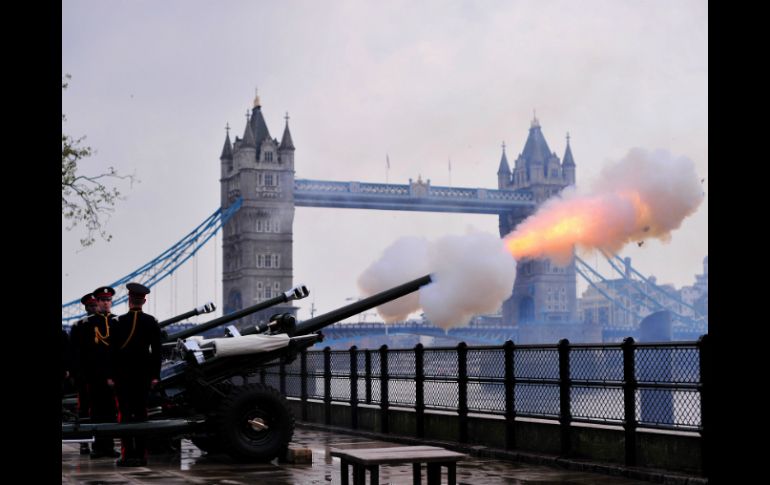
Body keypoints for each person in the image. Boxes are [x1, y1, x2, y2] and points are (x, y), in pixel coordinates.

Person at [112, 282, 161, 467]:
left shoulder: (118, 322)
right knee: (141, 415)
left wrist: (111, 375)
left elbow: (112, 353)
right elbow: (157, 352)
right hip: (143, 376)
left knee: (124, 415)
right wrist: (155, 376)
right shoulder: (151, 322)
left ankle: (127, 456)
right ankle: (141, 456)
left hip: (122, 377)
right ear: (144, 301)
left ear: (128, 300)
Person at [79, 286, 120, 459]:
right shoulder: (85, 325)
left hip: (113, 376)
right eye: (102, 300)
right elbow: (80, 353)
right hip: (94, 376)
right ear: (97, 302)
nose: (105, 303)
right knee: (96, 413)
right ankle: (97, 447)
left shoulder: (118, 322)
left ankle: (108, 446)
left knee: (111, 412)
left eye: (108, 300)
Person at [69, 292, 99, 455]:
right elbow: (73, 353)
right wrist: (75, 374)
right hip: (85, 376)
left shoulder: (105, 323)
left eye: (95, 305)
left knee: (98, 410)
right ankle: (84, 443)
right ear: (86, 308)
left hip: (98, 375)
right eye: (91, 306)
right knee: (84, 410)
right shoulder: (78, 326)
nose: (93, 308)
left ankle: (98, 443)